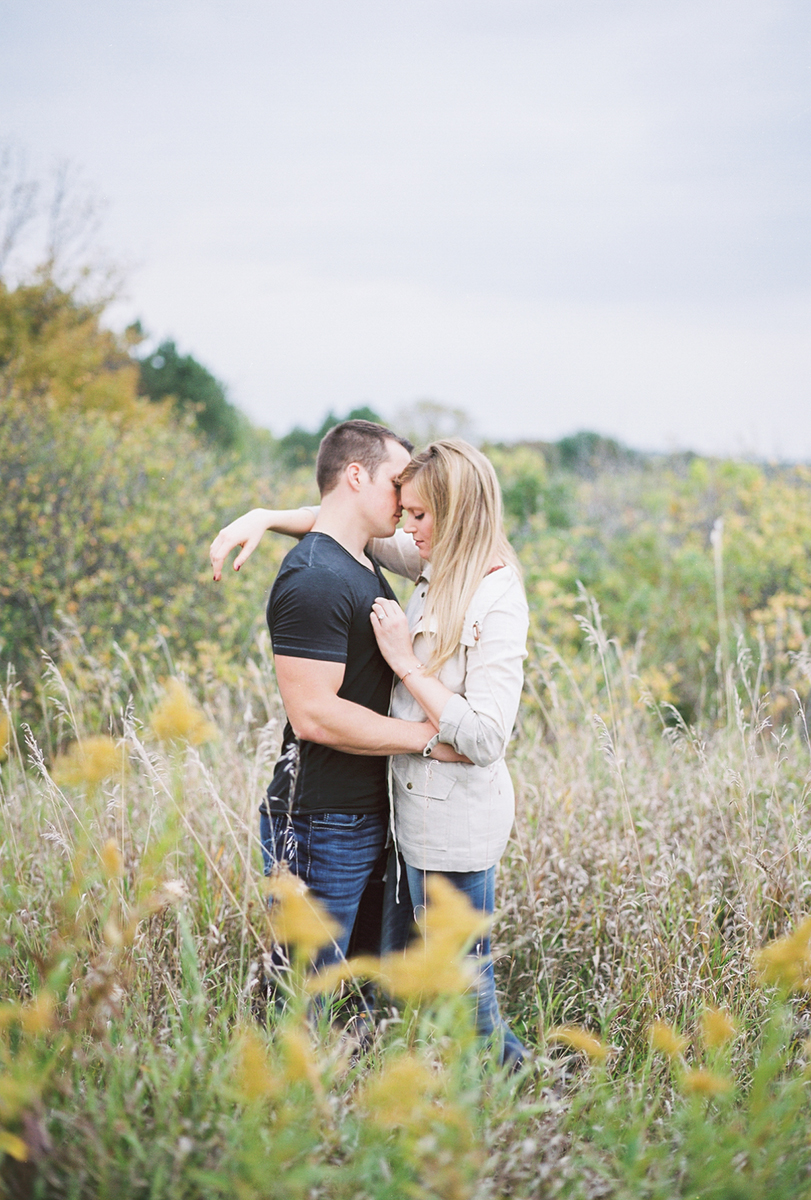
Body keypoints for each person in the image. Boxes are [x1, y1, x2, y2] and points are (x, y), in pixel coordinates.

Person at [212, 437, 529, 1067]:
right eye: (402, 504)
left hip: (427, 820)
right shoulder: (380, 566)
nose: (408, 525)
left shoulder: (476, 585)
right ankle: (309, 1098)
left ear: (455, 513)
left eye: (419, 513)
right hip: (367, 816)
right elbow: (342, 526)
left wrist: (407, 669)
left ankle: (517, 1093)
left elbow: (488, 738)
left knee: (446, 989)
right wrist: (265, 517)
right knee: (345, 984)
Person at [210, 419, 462, 983]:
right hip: (321, 823)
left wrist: (268, 516)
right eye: (397, 482)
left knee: (355, 996)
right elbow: (315, 716)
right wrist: (433, 738)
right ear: (356, 475)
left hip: (363, 814)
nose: (406, 497)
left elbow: (323, 520)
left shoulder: (356, 556)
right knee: (305, 995)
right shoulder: (315, 578)